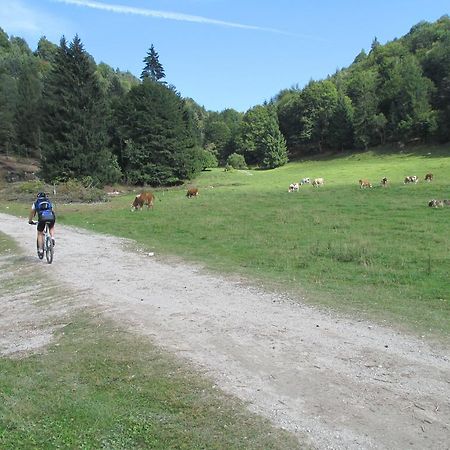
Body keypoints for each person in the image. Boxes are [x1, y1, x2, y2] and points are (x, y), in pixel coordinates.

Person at [28, 192, 56, 259]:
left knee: (40, 233)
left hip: (42, 218)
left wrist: (30, 221)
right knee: (51, 226)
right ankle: (52, 237)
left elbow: (32, 212)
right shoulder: (49, 201)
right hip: (51, 217)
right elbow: (52, 210)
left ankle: (40, 250)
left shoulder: (36, 203)